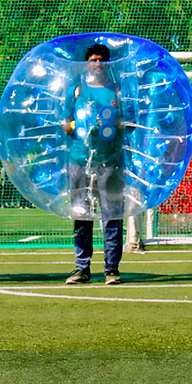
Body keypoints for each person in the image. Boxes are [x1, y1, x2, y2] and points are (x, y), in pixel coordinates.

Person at [63, 42, 125, 285]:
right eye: (93, 59)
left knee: (112, 213)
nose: (97, 63)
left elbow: (129, 123)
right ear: (86, 63)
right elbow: (65, 123)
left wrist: (112, 125)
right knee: (82, 213)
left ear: (108, 64)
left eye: (102, 59)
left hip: (111, 159)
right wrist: (73, 127)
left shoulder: (118, 91)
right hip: (80, 158)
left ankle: (112, 269)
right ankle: (82, 268)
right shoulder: (76, 90)